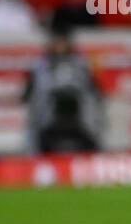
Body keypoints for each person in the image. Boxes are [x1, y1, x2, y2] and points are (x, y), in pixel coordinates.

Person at [22, 25, 103, 154]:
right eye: (57, 42)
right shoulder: (40, 67)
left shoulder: (81, 65)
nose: (60, 46)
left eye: (62, 42)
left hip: (80, 122)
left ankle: (93, 145)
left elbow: (96, 92)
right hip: (47, 121)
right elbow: (27, 95)